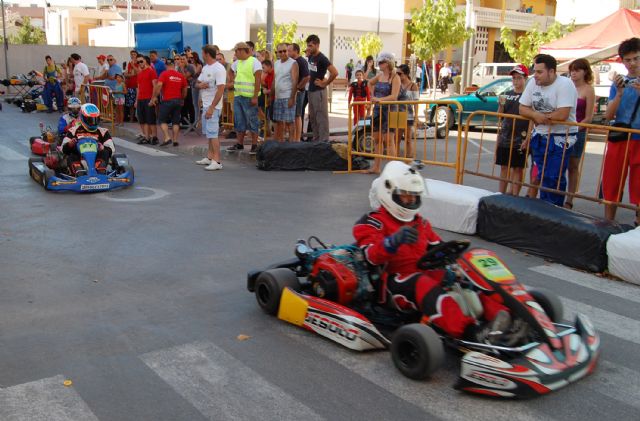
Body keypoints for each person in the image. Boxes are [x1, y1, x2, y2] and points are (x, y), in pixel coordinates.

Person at [353, 161, 511, 342]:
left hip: (422, 272)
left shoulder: (420, 222)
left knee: (463, 278)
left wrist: (455, 261)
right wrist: (393, 241)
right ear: (389, 192)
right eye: (405, 197)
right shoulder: (372, 222)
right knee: (422, 284)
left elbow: (438, 246)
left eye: (414, 197)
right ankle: (470, 332)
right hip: (392, 281)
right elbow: (370, 257)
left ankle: (501, 316)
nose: (411, 201)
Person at [519, 54, 578, 207]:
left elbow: (563, 113)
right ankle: (544, 208)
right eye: (535, 71)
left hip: (561, 137)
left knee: (554, 177)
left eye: (539, 72)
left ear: (551, 72)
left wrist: (542, 117)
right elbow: (522, 108)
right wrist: (534, 115)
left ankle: (554, 209)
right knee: (541, 175)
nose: (535, 76)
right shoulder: (533, 83)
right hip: (540, 135)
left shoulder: (565, 84)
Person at [602, 37, 640, 226]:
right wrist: (618, 93)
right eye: (628, 59)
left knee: (639, 183)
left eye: (636, 58)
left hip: (639, 139)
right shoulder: (619, 83)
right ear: (622, 61)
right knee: (611, 181)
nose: (632, 63)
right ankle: (608, 223)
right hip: (620, 136)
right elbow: (608, 115)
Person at [564, 58, 595, 209]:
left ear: (585, 71)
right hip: (562, 130)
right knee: (559, 163)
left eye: (577, 70)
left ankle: (570, 198)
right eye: (572, 70)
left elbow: (589, 117)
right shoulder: (567, 86)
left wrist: (576, 128)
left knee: (573, 166)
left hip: (578, 132)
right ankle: (556, 194)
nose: (574, 73)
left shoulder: (588, 89)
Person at [496, 64, 530, 196]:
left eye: (519, 78)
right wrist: (501, 105)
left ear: (525, 79)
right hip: (506, 136)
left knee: (517, 168)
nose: (516, 81)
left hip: (520, 137)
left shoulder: (528, 96)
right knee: (504, 166)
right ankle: (501, 194)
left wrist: (528, 138)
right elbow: (499, 116)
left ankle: (515, 195)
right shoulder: (507, 95)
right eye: (514, 78)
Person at [226, 42, 262, 154]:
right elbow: (230, 71)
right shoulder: (237, 62)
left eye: (236, 51)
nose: (235, 53)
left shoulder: (254, 62)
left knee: (252, 121)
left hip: (250, 97)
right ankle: (240, 144)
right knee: (239, 121)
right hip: (238, 96)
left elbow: (258, 80)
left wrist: (255, 96)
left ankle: (254, 145)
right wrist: (232, 81)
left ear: (242, 50)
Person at [195, 44, 227, 171]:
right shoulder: (206, 67)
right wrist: (200, 85)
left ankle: (217, 161)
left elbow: (221, 90)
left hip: (213, 106)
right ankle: (209, 157)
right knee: (209, 133)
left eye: (202, 53)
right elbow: (197, 83)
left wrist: (212, 107)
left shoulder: (219, 69)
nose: (201, 55)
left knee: (213, 134)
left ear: (207, 54)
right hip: (206, 104)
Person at [368, 52, 401, 173]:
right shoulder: (380, 75)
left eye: (381, 62)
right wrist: (373, 96)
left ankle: (393, 170)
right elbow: (369, 83)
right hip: (378, 110)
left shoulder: (395, 77)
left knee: (389, 140)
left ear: (388, 63)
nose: (379, 64)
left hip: (389, 111)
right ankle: (376, 167)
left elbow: (394, 96)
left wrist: (378, 99)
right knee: (377, 139)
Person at [61, 103, 114, 174]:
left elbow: (111, 150)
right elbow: (63, 149)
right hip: (79, 158)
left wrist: (103, 148)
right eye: (90, 120)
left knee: (105, 152)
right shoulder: (73, 131)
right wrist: (69, 145)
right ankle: (79, 172)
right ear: (83, 118)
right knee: (71, 155)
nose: (93, 123)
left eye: (95, 119)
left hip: (97, 158)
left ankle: (100, 171)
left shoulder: (103, 131)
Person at [306, 34, 338, 142]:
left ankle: (324, 142)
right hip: (311, 91)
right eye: (308, 46)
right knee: (313, 118)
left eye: (311, 46)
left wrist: (325, 83)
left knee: (321, 118)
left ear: (317, 45)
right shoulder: (310, 56)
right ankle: (316, 140)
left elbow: (334, 72)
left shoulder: (322, 58)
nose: (308, 48)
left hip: (319, 92)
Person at [151, 58, 188, 147]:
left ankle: (167, 137)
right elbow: (185, 89)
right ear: (174, 65)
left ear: (166, 65)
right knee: (176, 121)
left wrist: (155, 96)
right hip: (178, 100)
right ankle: (175, 140)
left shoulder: (164, 74)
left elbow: (159, 85)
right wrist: (182, 98)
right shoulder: (180, 75)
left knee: (161, 120)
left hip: (167, 100)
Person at [273, 43, 299, 142]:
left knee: (289, 122)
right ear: (277, 53)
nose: (283, 53)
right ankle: (281, 142)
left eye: (285, 50)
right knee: (279, 121)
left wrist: (292, 98)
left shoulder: (293, 63)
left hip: (288, 96)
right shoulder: (276, 63)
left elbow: (295, 81)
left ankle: (291, 143)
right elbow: (275, 80)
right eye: (281, 51)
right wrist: (272, 95)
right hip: (278, 97)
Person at [287, 43, 310, 142]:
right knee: (292, 115)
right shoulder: (291, 61)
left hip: (299, 93)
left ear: (296, 51)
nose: (287, 52)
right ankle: (294, 138)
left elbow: (307, 77)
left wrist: (298, 87)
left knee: (297, 115)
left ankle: (297, 138)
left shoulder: (301, 61)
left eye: (289, 50)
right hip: (292, 92)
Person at [396, 64, 419, 158]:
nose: (397, 75)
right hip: (397, 114)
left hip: (408, 115)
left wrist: (416, 117)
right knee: (396, 138)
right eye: (396, 73)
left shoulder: (413, 86)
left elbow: (416, 102)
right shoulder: (397, 84)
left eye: (399, 73)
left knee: (408, 138)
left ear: (406, 74)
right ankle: (395, 157)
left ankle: (409, 157)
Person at [135, 55, 159, 145]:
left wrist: (153, 98)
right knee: (143, 120)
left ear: (145, 61)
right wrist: (136, 101)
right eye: (138, 62)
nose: (139, 63)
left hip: (149, 98)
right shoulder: (140, 73)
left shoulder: (151, 71)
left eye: (141, 61)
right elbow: (138, 88)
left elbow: (155, 86)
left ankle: (155, 137)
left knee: (151, 119)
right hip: (141, 99)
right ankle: (146, 137)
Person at [258, 59, 274, 138]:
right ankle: (266, 131)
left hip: (273, 98)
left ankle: (268, 132)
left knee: (270, 117)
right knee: (266, 115)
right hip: (268, 97)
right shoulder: (268, 75)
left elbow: (274, 87)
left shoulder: (274, 74)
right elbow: (265, 85)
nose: (262, 70)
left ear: (269, 66)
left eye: (263, 68)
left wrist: (267, 91)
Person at [124, 50, 140, 123]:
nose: (133, 55)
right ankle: (131, 119)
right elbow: (126, 74)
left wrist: (133, 66)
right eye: (132, 54)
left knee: (136, 103)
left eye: (134, 54)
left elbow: (137, 72)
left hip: (136, 86)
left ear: (137, 55)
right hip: (129, 85)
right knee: (130, 104)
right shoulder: (129, 63)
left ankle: (137, 118)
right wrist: (130, 75)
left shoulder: (139, 63)